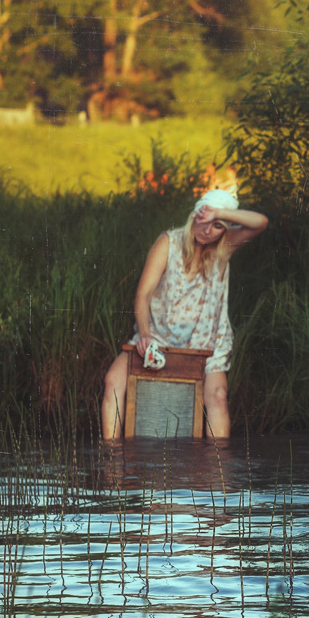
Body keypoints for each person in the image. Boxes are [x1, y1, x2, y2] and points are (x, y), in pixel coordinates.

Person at [101, 187, 267, 439]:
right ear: (194, 215)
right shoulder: (168, 243)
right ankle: (111, 455)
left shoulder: (222, 248)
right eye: (203, 220)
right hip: (157, 337)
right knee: (113, 380)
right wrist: (144, 335)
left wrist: (219, 213)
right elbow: (143, 294)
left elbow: (260, 223)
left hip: (206, 342)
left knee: (218, 396)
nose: (207, 230)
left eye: (217, 226)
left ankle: (216, 462)